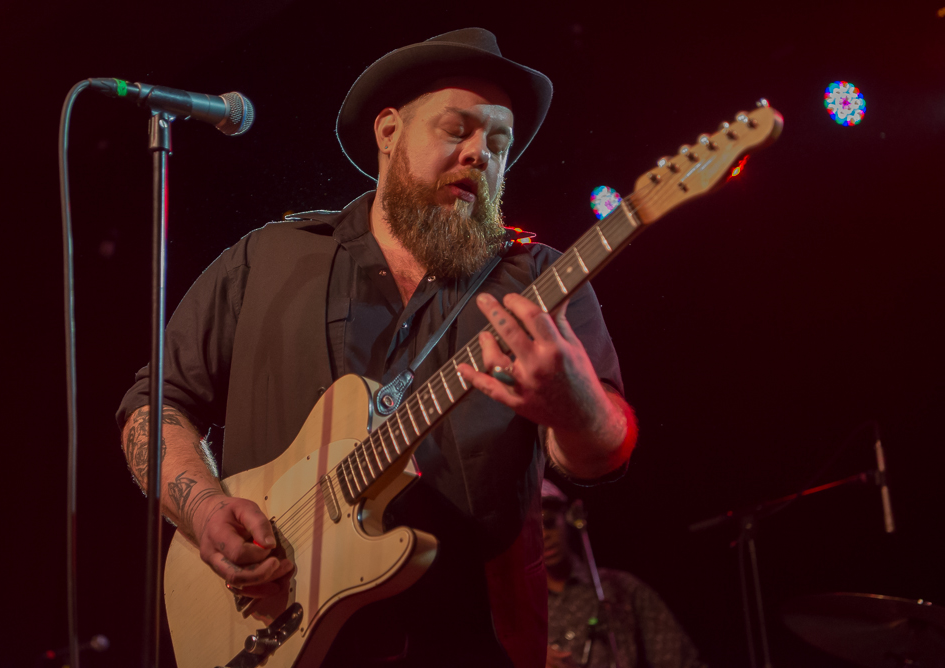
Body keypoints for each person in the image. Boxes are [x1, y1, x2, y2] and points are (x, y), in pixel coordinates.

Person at [117, 28, 637, 668]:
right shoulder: (268, 259)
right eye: (458, 129)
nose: (481, 154)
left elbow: (605, 450)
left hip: (471, 649)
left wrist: (574, 404)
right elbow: (155, 405)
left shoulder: (542, 281)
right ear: (389, 132)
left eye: (498, 144)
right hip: (268, 631)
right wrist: (205, 511)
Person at [541, 481, 705, 668]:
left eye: (548, 521)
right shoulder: (518, 606)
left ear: (566, 517)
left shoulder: (619, 586)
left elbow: (681, 661)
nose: (543, 535)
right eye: (533, 529)